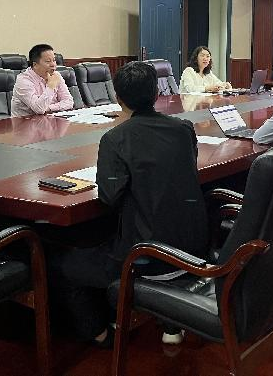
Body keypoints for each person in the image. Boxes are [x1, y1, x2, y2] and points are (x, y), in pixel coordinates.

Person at [50, 61, 208, 346]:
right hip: (194, 248)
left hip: (146, 257)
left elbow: (109, 197)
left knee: (63, 265)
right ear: (157, 93)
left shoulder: (115, 139)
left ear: (118, 98)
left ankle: (102, 336)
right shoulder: (183, 128)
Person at [10, 44, 74, 116]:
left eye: (54, 60)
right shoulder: (23, 81)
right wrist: (51, 87)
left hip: (50, 119)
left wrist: (49, 108)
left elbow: (69, 102)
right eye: (48, 61)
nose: (53, 64)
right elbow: (39, 109)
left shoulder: (56, 75)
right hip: (25, 121)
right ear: (35, 65)